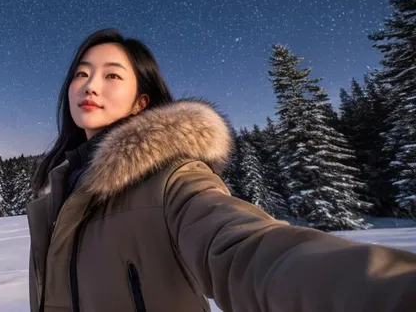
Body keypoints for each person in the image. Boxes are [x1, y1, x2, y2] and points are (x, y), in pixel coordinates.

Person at [26, 28, 416, 312]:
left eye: (112, 75)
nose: (90, 85)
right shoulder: (54, 201)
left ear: (141, 102)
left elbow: (244, 249)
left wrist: (384, 291)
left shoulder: (171, 178)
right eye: (81, 73)